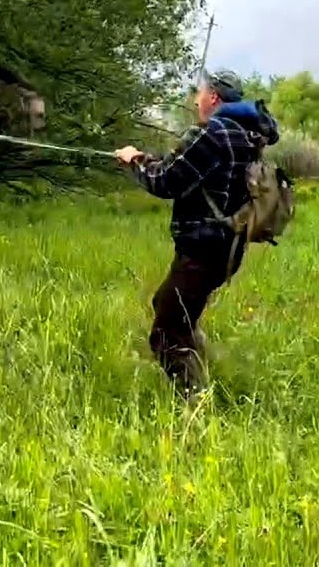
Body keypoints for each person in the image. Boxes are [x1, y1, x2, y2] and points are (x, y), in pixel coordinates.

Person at [114, 69, 280, 401]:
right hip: (226, 250)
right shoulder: (245, 136)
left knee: (166, 333)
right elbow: (186, 170)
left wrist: (133, 162)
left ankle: (195, 407)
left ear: (214, 97)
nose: (195, 99)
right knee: (169, 305)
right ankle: (207, 370)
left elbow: (166, 183)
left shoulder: (211, 134)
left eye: (200, 93)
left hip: (202, 252)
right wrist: (148, 160)